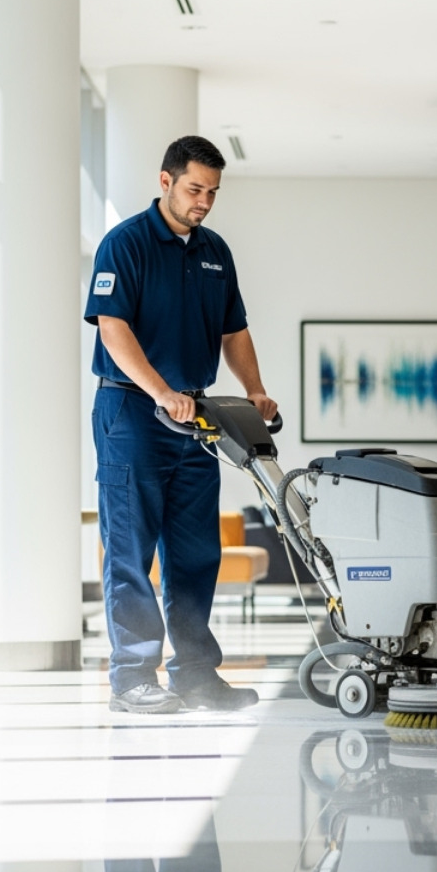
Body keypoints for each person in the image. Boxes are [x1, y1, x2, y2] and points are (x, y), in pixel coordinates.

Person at [86, 135, 277, 714]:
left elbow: (234, 331)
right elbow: (112, 330)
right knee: (131, 549)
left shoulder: (215, 251)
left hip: (196, 420)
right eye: (195, 189)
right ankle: (131, 679)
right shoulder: (125, 244)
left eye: (213, 192)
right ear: (165, 180)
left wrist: (255, 390)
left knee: (196, 554)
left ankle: (196, 675)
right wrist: (162, 392)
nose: (204, 202)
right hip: (132, 414)